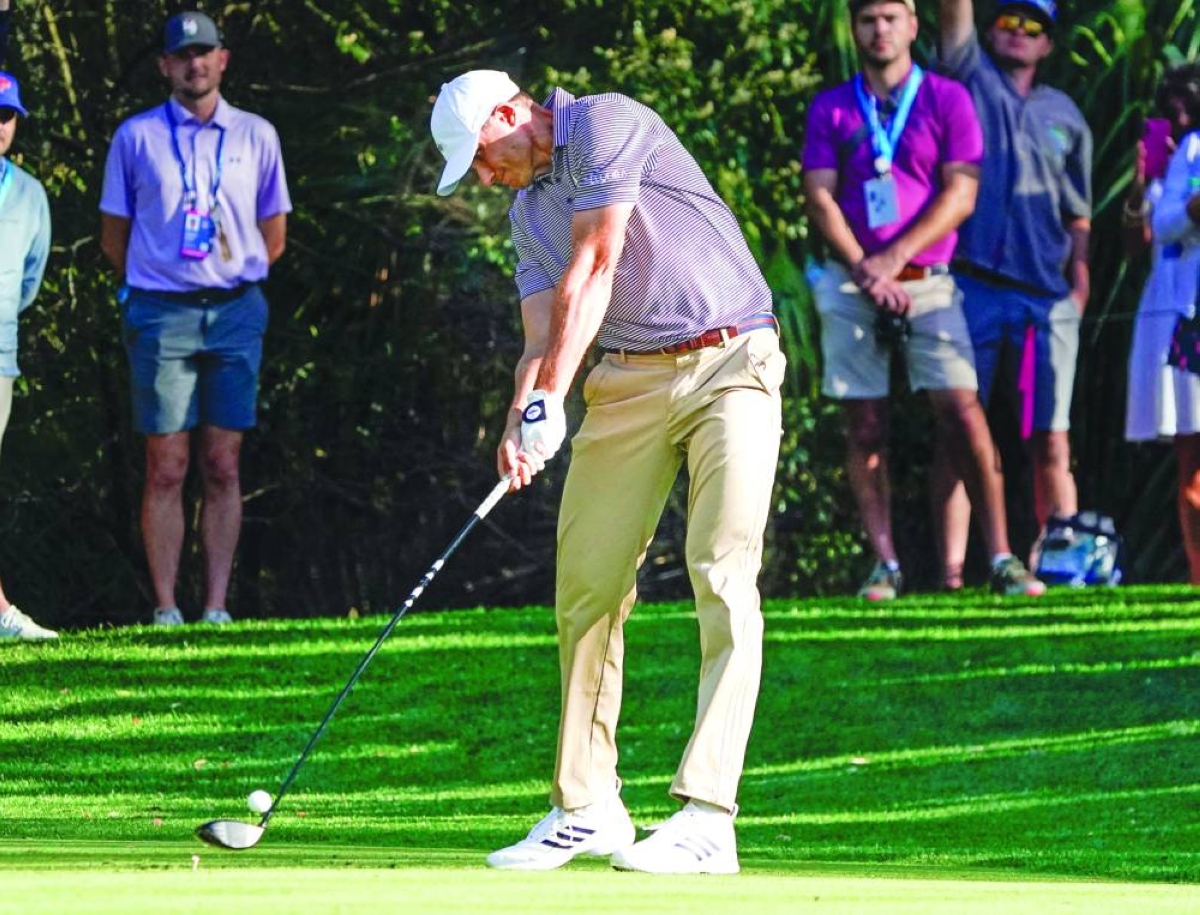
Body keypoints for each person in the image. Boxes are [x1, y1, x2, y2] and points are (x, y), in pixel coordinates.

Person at [430, 70, 784, 874]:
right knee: (586, 584)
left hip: (733, 358)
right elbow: (535, 339)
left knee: (723, 570)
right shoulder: (526, 215)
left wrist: (553, 391)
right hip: (627, 380)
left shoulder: (605, 122)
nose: (484, 179)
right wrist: (524, 418)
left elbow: (597, 261)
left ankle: (707, 815)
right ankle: (586, 805)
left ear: (511, 114)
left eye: (482, 157)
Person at [803, 0, 1043, 599]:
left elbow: (960, 195)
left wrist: (893, 260)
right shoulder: (832, 106)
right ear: (855, 29)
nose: (878, 30)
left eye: (890, 18)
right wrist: (867, 268)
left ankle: (1003, 558)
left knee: (962, 410)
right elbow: (819, 196)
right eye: (867, 20)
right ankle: (884, 564)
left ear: (913, 25)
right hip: (851, 279)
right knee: (865, 424)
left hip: (929, 279)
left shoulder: (946, 98)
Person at [99, 11, 290, 626]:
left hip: (235, 310)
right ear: (164, 66)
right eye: (182, 56)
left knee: (223, 463)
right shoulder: (135, 137)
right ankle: (165, 608)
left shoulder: (257, 134)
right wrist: (147, 291)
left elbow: (275, 233)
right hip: (161, 313)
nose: (194, 64)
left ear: (223, 59)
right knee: (167, 464)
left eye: (204, 53)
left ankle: (215, 607)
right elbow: (114, 237)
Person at [935, 0, 1092, 588]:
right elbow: (954, 20)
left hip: (1049, 295)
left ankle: (1064, 563)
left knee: (1053, 436)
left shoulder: (1067, 114)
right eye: (1009, 21)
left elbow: (1080, 216)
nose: (1021, 33)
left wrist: (1081, 284)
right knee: (957, 425)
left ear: (1049, 43)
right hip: (971, 284)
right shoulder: (968, 78)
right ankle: (952, 573)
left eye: (1035, 26)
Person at [1127, 65, 1200, 583]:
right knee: (1191, 459)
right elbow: (1157, 234)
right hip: (1177, 316)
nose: (1177, 122)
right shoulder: (1179, 163)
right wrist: (1142, 186)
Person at [0, 70, 56, 641]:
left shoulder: (30, 194)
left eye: (6, 116)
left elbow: (29, 280)